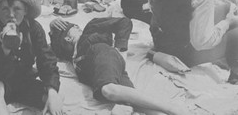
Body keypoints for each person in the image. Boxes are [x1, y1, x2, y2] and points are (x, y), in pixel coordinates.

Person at [49, 17, 189, 115]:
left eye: (76, 25)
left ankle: (172, 108)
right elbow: (44, 50)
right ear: (66, 38)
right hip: (98, 71)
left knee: (109, 90)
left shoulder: (90, 29)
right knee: (139, 106)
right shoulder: (68, 56)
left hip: (102, 54)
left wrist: (121, 52)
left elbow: (124, 22)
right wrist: (52, 25)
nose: (77, 27)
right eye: (72, 27)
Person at [0, 0, 63, 115]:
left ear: (26, 11)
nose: (11, 15)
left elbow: (46, 59)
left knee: (56, 97)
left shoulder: (33, 28)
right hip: (1, 81)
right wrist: (4, 49)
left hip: (24, 81)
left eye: (17, 8)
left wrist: (52, 91)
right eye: (5, 9)